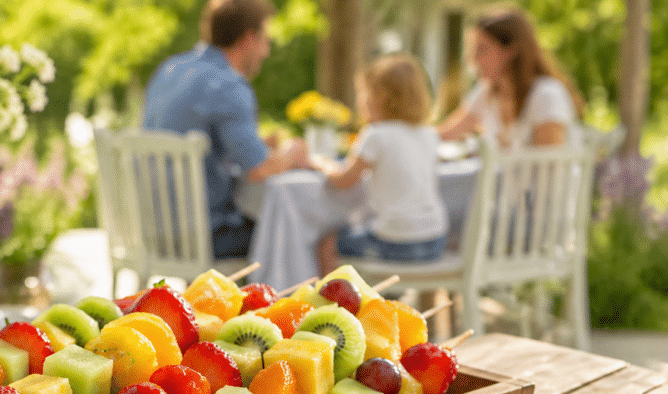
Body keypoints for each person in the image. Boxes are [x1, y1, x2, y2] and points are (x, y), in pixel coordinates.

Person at [143, 0, 309, 259]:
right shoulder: (228, 85)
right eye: (265, 40)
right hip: (204, 239)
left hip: (149, 231)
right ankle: (287, 300)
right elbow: (258, 170)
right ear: (248, 39)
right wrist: (292, 153)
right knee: (299, 227)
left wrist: (258, 146)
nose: (266, 52)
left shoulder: (170, 69)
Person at [314, 53, 447, 274]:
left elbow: (343, 180)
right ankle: (424, 306)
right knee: (380, 231)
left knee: (329, 244)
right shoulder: (429, 134)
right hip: (434, 240)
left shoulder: (376, 135)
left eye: (364, 93)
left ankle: (335, 306)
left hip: (397, 243)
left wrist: (321, 164)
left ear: (380, 97)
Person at [437, 5, 584, 150]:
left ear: (510, 50)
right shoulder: (487, 93)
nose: (473, 59)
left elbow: (548, 164)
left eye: (482, 49)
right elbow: (449, 133)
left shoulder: (546, 94)